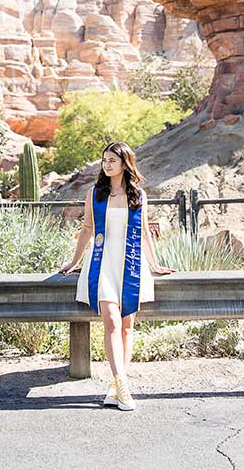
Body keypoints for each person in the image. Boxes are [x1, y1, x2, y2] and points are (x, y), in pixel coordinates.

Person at [59, 141, 177, 411]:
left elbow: (145, 233)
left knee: (126, 326)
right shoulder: (95, 194)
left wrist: (155, 265)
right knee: (111, 320)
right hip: (102, 264)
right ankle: (122, 383)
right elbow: (87, 228)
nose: (106, 164)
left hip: (131, 264)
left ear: (125, 163)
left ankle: (116, 385)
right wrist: (74, 261)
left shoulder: (138, 195)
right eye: (104, 160)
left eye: (112, 160)